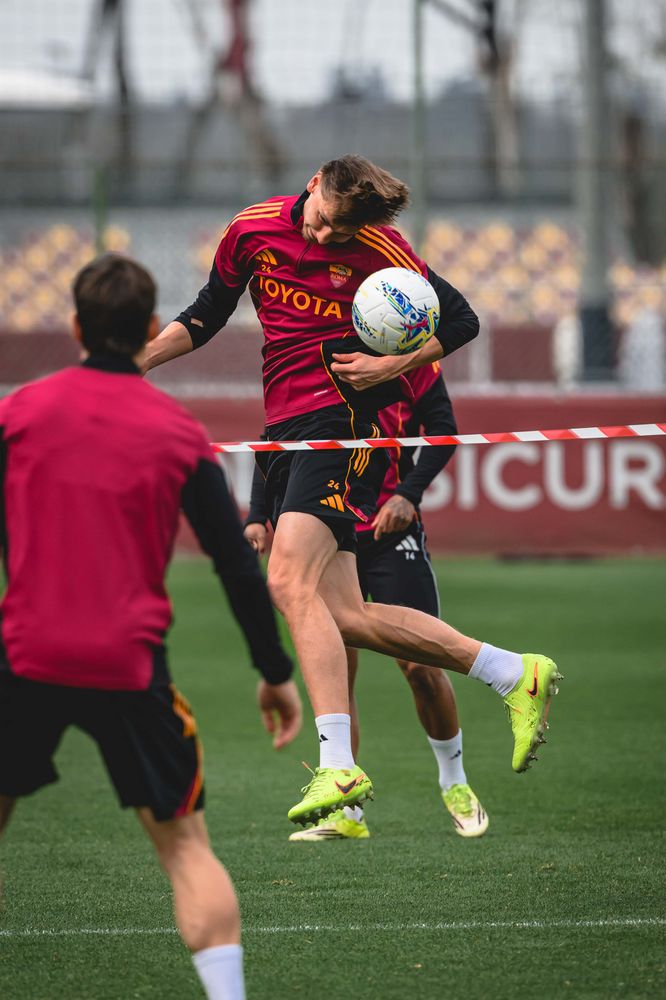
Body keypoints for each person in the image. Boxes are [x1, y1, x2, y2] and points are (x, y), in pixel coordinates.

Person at [143, 154, 562, 828]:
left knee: (288, 582)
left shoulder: (380, 247)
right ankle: (514, 673)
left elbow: (461, 320)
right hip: (290, 429)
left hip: (343, 423)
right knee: (344, 615)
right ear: (312, 184)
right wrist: (134, 364)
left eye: (341, 233)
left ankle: (339, 764)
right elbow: (206, 314)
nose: (325, 238)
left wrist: (393, 364)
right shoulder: (251, 229)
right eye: (323, 222)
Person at [0, 254, 302, 1000]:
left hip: (25, 657)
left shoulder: (19, 413)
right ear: (149, 331)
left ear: (76, 328)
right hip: (130, 668)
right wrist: (275, 673)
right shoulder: (177, 432)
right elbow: (236, 566)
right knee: (188, 851)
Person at [245, 361, 488, 842]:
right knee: (339, 671)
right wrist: (257, 514)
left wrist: (408, 495)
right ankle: (347, 810)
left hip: (388, 528)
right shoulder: (320, 353)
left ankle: (455, 782)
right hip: (328, 528)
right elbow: (279, 438)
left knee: (421, 668)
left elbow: (443, 430)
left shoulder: (413, 356)